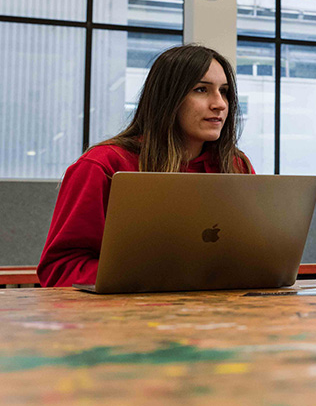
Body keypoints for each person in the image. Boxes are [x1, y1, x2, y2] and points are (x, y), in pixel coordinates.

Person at [38, 44, 253, 287]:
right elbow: (61, 269)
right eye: (201, 89)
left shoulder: (235, 166)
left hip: (219, 313)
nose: (220, 104)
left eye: (224, 91)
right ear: (167, 98)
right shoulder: (103, 165)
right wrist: (158, 277)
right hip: (127, 318)